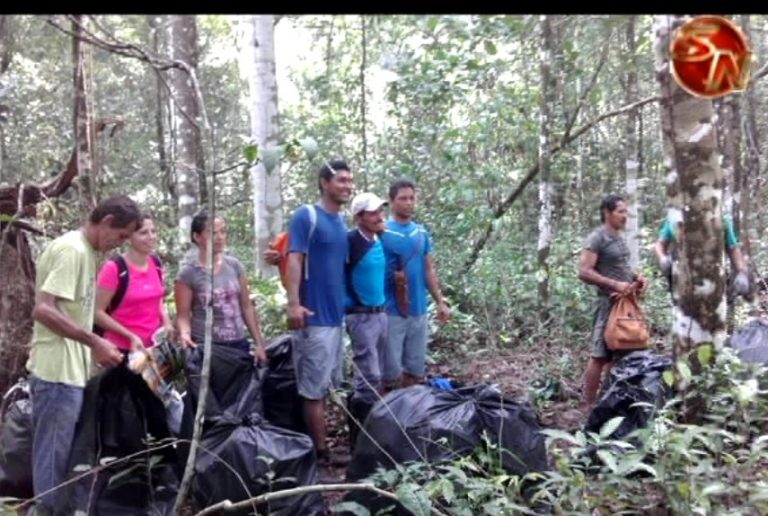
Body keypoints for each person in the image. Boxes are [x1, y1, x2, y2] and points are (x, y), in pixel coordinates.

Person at [26, 194, 141, 514]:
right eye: (120, 236)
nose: (120, 244)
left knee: (67, 458)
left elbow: (74, 311)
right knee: (52, 458)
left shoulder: (88, 253)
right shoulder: (72, 250)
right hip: (55, 374)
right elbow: (44, 310)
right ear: (106, 222)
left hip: (71, 373)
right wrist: (94, 342)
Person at [284, 159, 352, 467]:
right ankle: (320, 453)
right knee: (312, 389)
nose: (347, 186)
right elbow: (294, 259)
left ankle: (325, 445)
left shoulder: (341, 222)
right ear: (325, 183)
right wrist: (293, 303)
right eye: (341, 180)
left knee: (327, 385)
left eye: (350, 181)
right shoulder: (306, 216)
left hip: (336, 318)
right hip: (314, 318)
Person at [578, 194, 647, 407]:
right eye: (620, 211)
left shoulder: (618, 237)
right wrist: (614, 285)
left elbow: (621, 266)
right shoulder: (597, 238)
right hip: (608, 304)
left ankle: (608, 400)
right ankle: (589, 406)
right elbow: (584, 272)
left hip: (625, 305)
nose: (625, 216)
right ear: (607, 213)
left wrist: (636, 277)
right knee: (599, 356)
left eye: (626, 211)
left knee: (618, 353)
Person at [380, 179, 450, 390]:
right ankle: (388, 417)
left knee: (415, 370)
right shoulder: (381, 233)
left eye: (412, 198)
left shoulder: (421, 233)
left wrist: (440, 301)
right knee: (390, 374)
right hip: (391, 311)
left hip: (418, 309)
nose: (409, 203)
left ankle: (410, 415)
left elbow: (428, 269)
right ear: (391, 202)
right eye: (403, 198)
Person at [174, 211, 267, 362]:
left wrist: (259, 343)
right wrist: (185, 334)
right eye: (212, 233)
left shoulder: (235, 266)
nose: (219, 237)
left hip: (238, 344)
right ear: (197, 237)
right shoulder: (188, 274)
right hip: (207, 348)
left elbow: (246, 307)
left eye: (223, 231)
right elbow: (183, 315)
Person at [344, 192, 389, 446]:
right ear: (359, 217)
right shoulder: (351, 241)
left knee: (377, 376)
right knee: (368, 377)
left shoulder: (378, 238)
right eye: (372, 213)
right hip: (360, 317)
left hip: (381, 314)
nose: (378, 216)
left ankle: (370, 435)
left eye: (380, 211)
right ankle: (359, 442)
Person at [94, 213, 174, 353]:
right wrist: (129, 336)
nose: (151, 237)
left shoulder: (156, 264)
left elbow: (158, 299)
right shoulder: (114, 268)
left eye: (153, 231)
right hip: (120, 350)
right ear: (129, 237)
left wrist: (166, 322)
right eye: (143, 233)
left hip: (153, 348)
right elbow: (96, 312)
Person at [653, 212, 750, 298]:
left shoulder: (720, 219)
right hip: (683, 280)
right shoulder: (674, 219)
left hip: (713, 279)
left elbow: (732, 248)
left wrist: (741, 272)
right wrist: (662, 258)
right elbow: (660, 244)